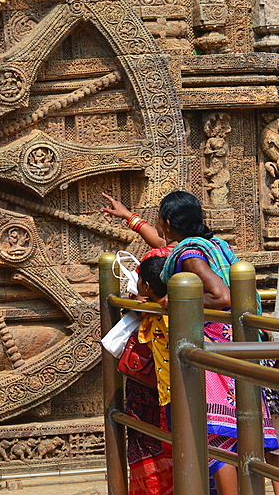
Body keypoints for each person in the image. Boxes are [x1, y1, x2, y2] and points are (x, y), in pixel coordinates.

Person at [105, 190, 279, 495]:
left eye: (159, 217)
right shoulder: (213, 245)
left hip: (213, 352)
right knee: (254, 435)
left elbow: (221, 295)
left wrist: (177, 300)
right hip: (241, 345)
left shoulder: (190, 254)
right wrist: (130, 219)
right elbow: (166, 247)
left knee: (217, 436)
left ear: (168, 221)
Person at [125, 253, 173, 495]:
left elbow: (142, 335)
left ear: (145, 286)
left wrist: (139, 304)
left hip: (167, 391)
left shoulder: (158, 313)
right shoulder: (170, 305)